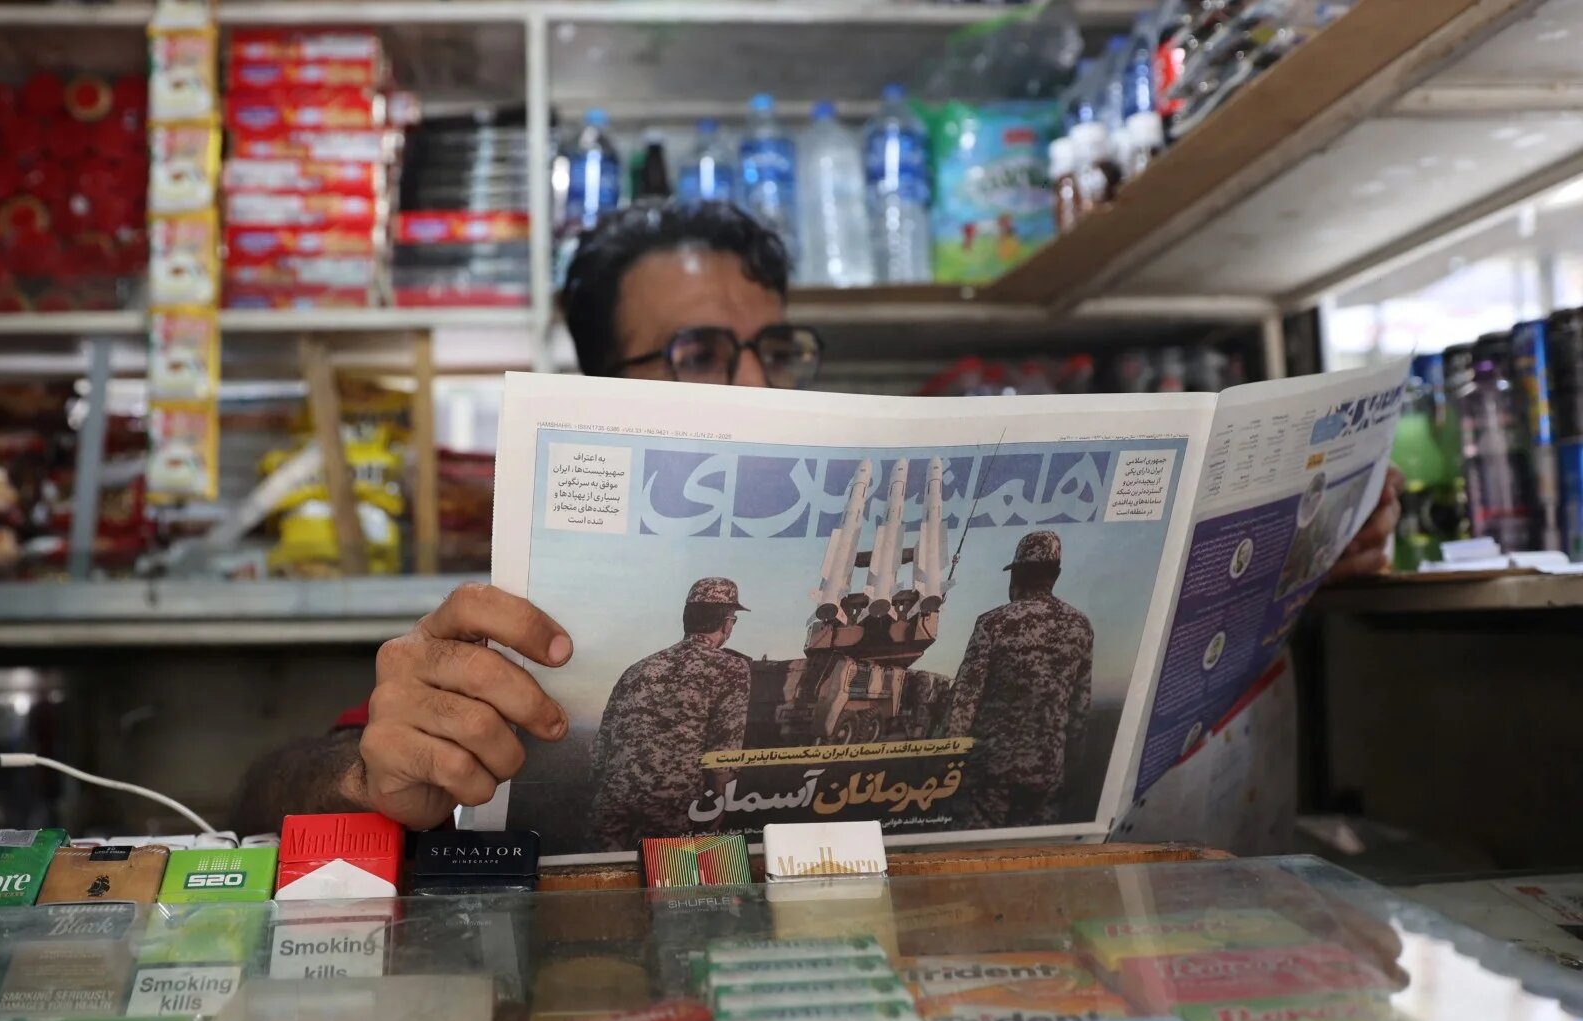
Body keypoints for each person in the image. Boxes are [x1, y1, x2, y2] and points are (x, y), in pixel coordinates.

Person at [229, 202, 1402, 836]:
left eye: (771, 348)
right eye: (698, 353)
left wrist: (1295, 557)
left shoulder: (932, 631)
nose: (750, 385)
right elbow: (270, 795)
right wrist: (372, 765)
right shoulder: (527, 606)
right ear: (596, 387)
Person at [584, 577, 752, 852]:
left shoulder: (639, 668)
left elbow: (602, 744)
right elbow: (724, 748)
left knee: (606, 882)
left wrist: (604, 793)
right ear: (727, 623)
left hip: (613, 800)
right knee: (666, 886)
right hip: (672, 806)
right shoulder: (732, 669)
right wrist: (720, 804)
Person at [941, 531, 1094, 829]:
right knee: (1031, 861)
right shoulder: (1080, 626)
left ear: (1016, 575)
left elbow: (964, 700)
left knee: (973, 858)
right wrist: (1067, 768)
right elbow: (1080, 709)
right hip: (1047, 774)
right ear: (1056, 575)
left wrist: (944, 763)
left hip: (989, 773)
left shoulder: (994, 623)